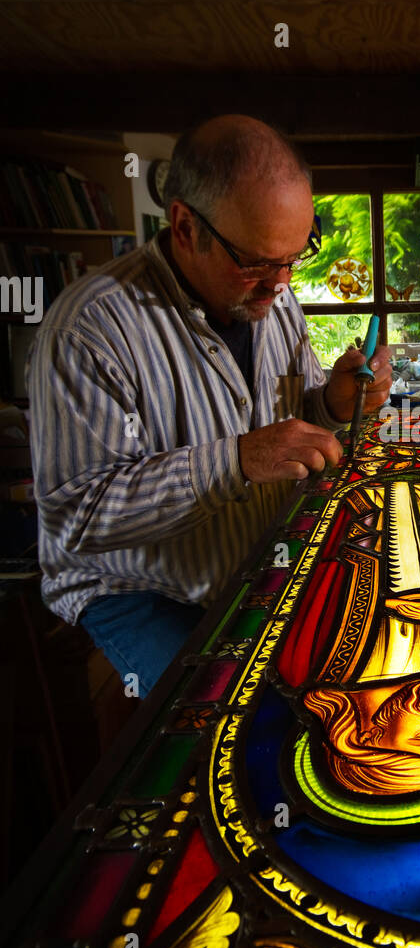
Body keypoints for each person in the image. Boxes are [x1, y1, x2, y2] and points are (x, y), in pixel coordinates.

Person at [27, 115, 392, 697]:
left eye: (296, 256)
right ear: (184, 226)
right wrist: (238, 461)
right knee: (223, 725)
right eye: (255, 261)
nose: (281, 283)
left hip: (252, 566)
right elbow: (79, 517)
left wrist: (331, 402)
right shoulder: (90, 328)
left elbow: (291, 418)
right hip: (139, 592)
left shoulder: (273, 291)